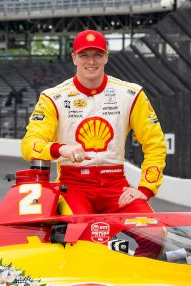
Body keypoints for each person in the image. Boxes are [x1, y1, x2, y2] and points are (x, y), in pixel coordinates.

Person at [21, 29, 166, 214]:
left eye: (97, 55)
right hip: (72, 186)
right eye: (84, 55)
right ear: (74, 58)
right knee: (80, 230)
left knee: (152, 232)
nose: (91, 62)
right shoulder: (52, 97)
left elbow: (155, 144)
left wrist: (146, 189)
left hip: (116, 186)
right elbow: (29, 145)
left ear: (106, 57)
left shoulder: (131, 94)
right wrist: (61, 149)